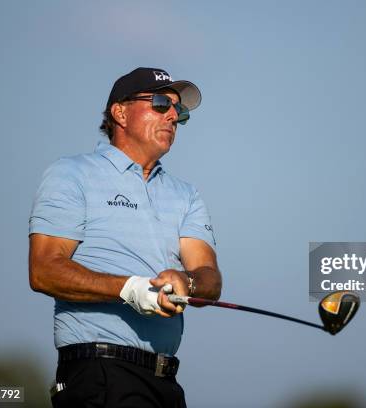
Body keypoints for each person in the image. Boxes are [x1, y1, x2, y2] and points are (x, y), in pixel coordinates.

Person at [28, 67, 221, 407]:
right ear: (119, 112)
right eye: (161, 103)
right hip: (98, 374)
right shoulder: (71, 173)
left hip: (166, 383)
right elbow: (44, 270)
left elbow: (209, 278)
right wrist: (130, 289)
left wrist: (185, 281)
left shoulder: (186, 194)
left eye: (180, 110)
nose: (173, 115)